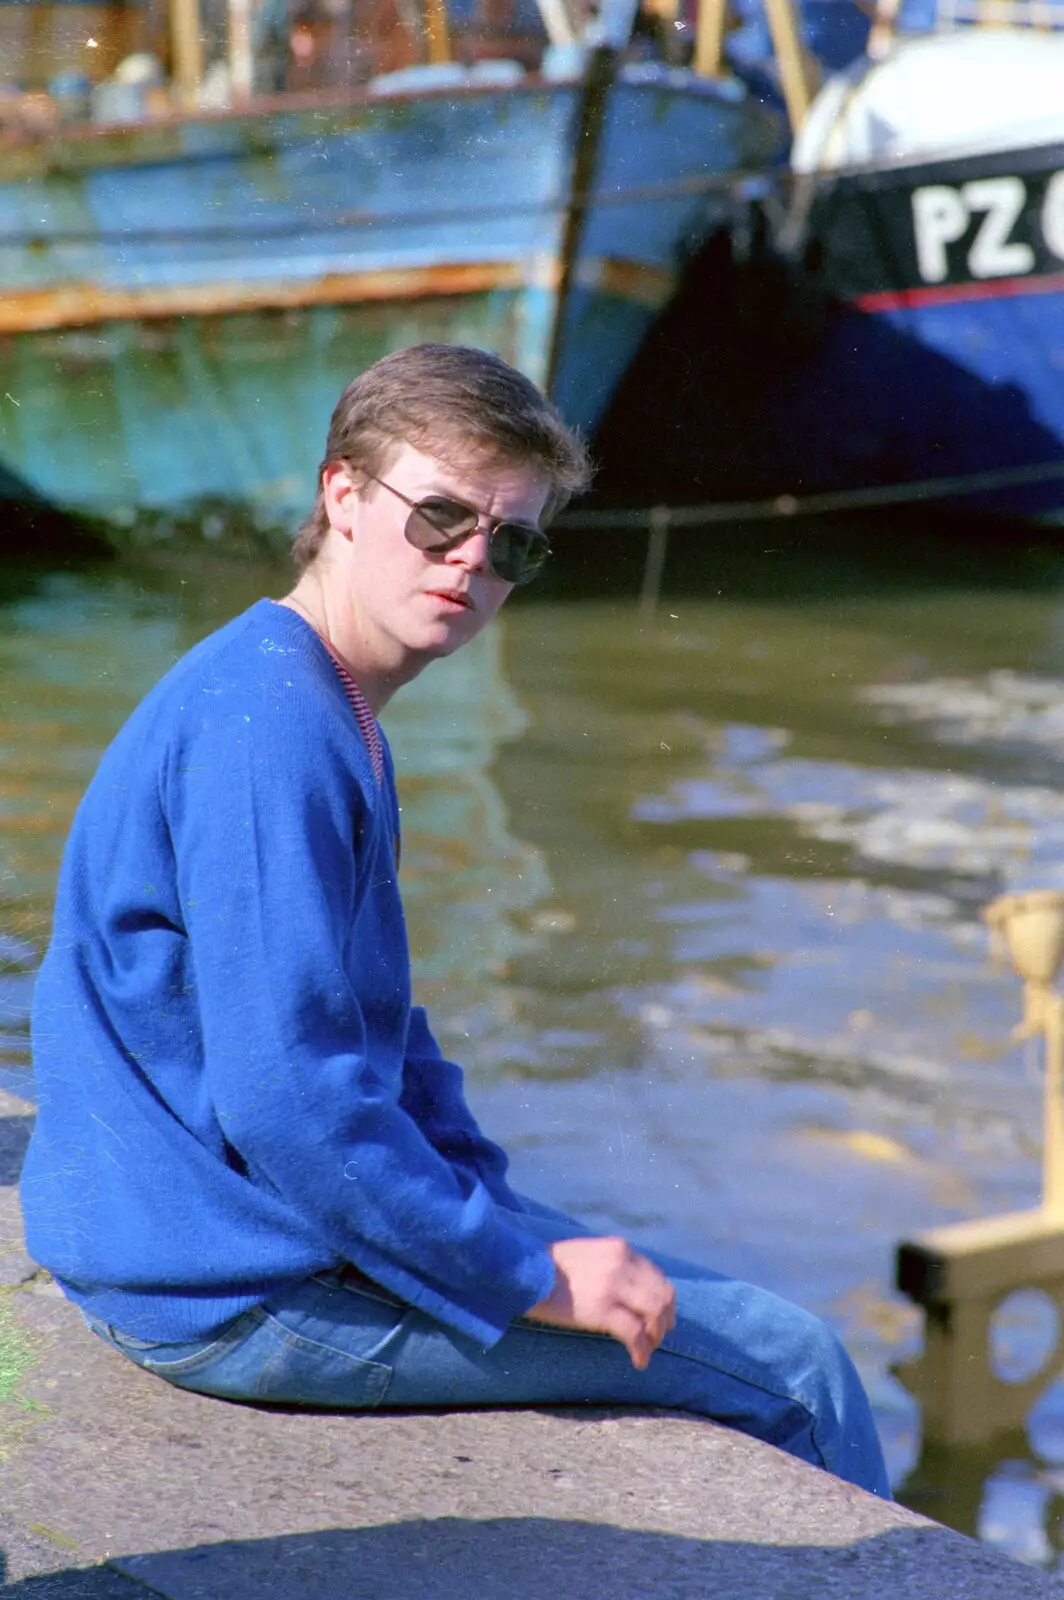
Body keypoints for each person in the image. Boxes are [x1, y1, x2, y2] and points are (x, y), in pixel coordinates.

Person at [21, 343, 889, 1498]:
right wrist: (524, 1270)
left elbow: (373, 1023)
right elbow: (291, 1105)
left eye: (513, 542)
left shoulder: (300, 688)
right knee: (798, 1366)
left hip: (179, 1234)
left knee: (632, 1278)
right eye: (439, 517)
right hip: (231, 1286)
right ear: (340, 495)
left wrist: (498, 1207)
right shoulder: (274, 731)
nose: (471, 563)